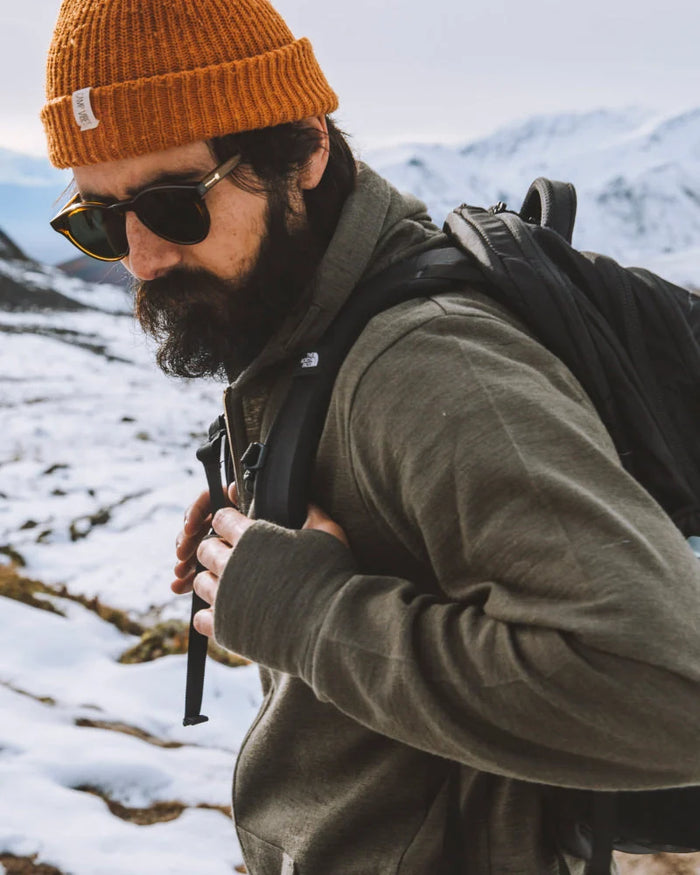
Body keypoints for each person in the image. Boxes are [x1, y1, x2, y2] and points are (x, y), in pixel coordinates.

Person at [43, 1, 700, 873]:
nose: (139, 258)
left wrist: (310, 615)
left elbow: (666, 694)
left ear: (307, 147)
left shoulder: (429, 366)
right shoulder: (309, 322)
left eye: (172, 205)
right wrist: (274, 514)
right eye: (95, 218)